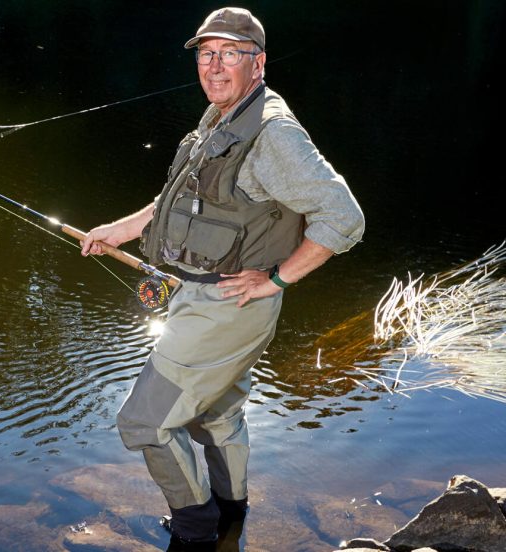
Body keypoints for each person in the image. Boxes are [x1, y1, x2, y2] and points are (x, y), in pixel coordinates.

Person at [80, 7, 365, 550]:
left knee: (144, 423)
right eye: (206, 54)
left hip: (224, 307)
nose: (214, 66)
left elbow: (344, 219)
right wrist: (122, 228)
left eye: (230, 55)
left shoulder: (274, 134)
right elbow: (183, 197)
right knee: (216, 413)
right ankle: (232, 517)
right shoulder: (224, 114)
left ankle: (194, 529)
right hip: (204, 298)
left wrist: (277, 280)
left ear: (257, 64)